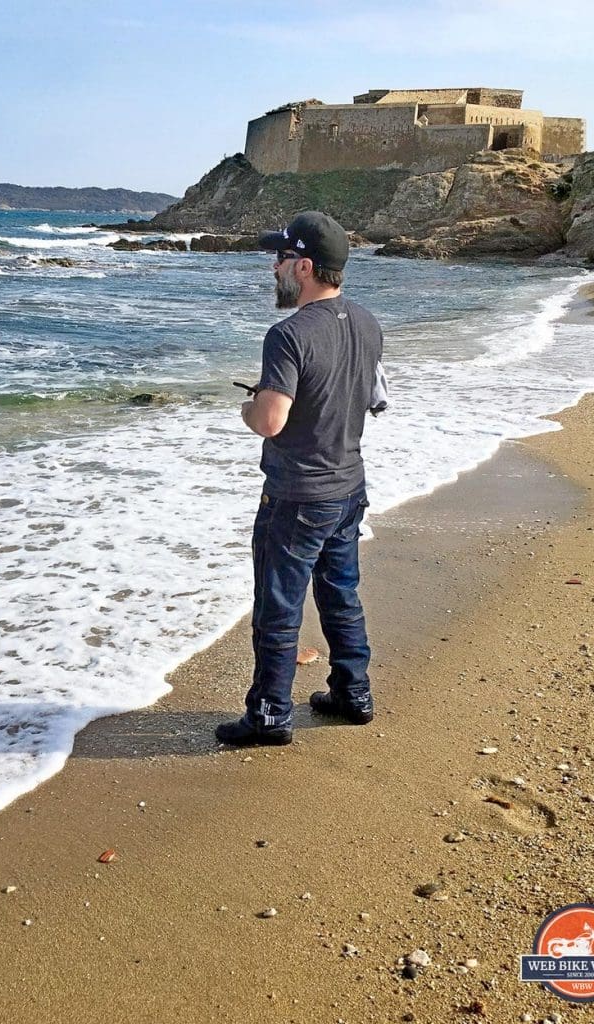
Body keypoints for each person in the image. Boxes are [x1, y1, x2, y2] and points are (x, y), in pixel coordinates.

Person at [215, 211, 385, 747]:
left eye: (282, 258)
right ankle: (352, 693)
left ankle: (269, 714)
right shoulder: (367, 322)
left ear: (306, 266)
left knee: (278, 604)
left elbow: (270, 421)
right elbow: (375, 398)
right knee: (341, 594)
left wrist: (250, 409)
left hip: (296, 494)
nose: (275, 267)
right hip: (348, 486)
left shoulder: (287, 335)